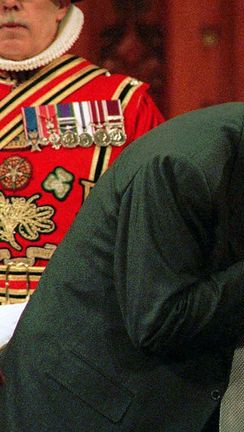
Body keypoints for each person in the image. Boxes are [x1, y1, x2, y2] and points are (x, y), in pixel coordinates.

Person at [0, 76, 244, 431]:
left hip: (171, 401)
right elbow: (158, 321)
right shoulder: (182, 166)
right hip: (86, 406)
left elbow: (229, 302)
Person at [0, 0, 164, 343]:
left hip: (76, 341)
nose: (8, 3)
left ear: (60, 5)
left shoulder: (124, 105)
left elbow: (157, 244)